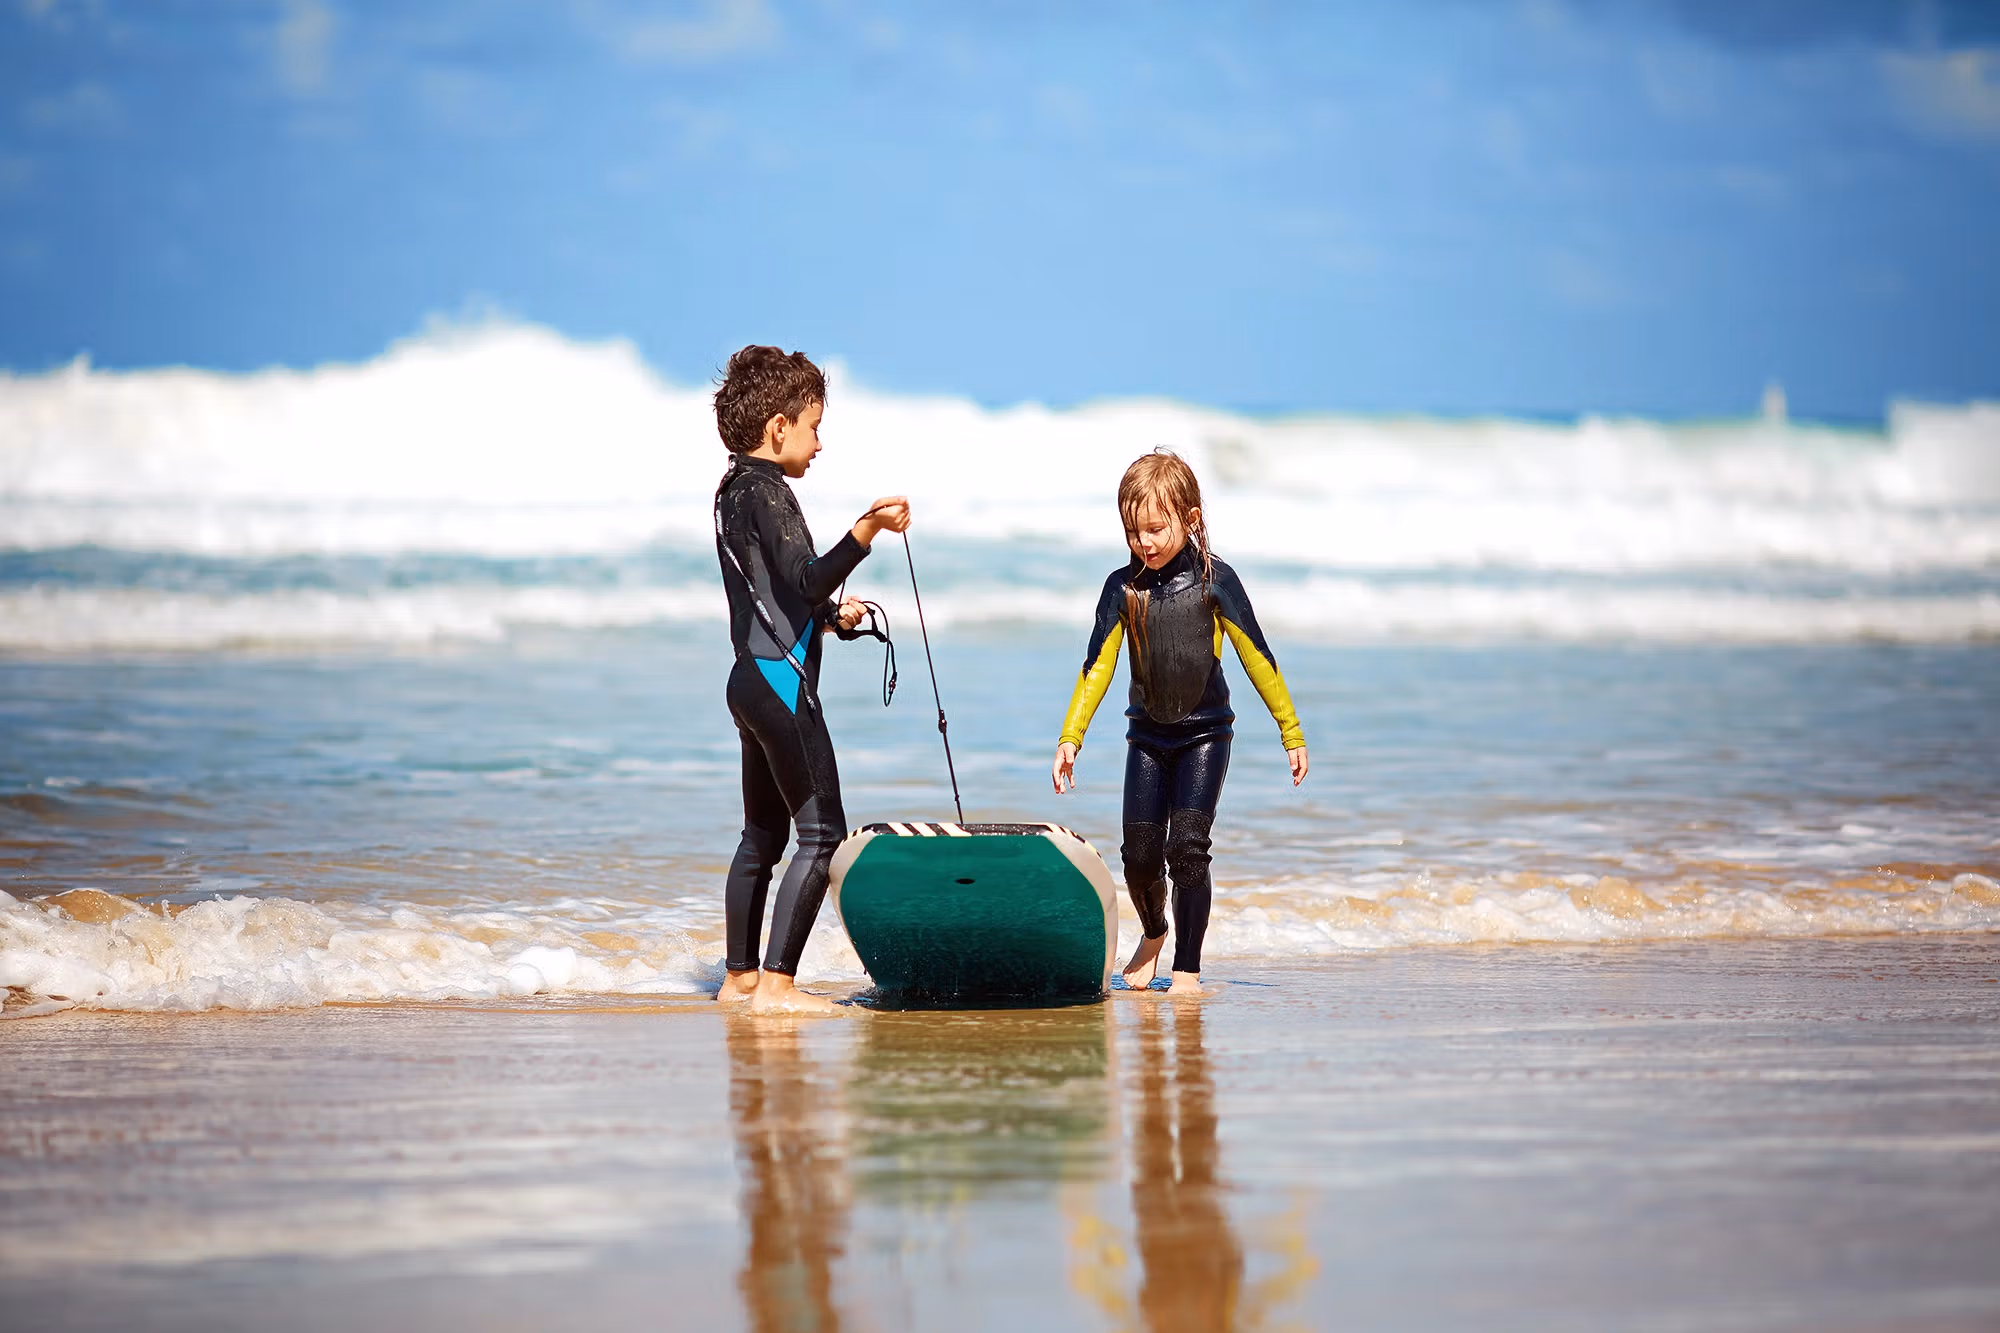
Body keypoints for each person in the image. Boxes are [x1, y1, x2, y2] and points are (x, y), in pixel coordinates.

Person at [1051, 449, 1307, 995]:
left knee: (1188, 847)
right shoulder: (1122, 588)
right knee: (1139, 858)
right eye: (1132, 531)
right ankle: (1153, 931)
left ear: (1189, 519)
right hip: (1146, 737)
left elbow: (1257, 657)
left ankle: (1186, 968)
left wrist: (1291, 732)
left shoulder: (1217, 580)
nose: (1143, 542)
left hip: (1205, 735)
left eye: (1154, 528)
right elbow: (1097, 666)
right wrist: (1070, 738)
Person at [712, 345, 910, 1015]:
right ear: (778, 427)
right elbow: (801, 577)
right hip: (782, 686)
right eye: (813, 426)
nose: (819, 442)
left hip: (748, 679)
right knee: (822, 832)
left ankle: (739, 978)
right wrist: (865, 532)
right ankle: (778, 985)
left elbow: (772, 593)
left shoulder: (731, 492)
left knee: (761, 838)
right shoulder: (773, 492)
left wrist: (831, 617)